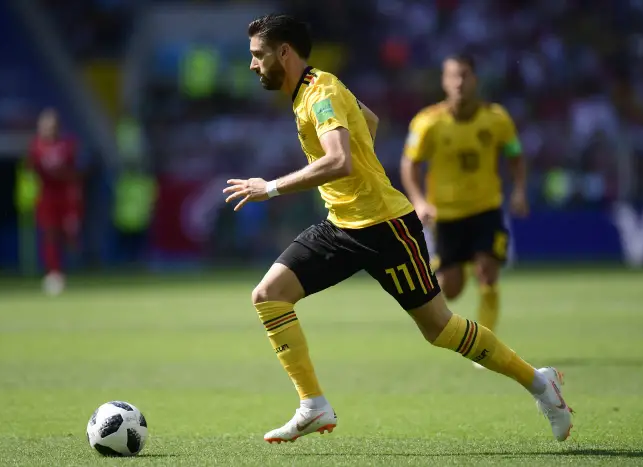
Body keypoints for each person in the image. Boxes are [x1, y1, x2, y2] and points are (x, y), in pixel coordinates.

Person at [223, 14, 571, 444]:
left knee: (440, 329)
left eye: (258, 56)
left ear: (284, 52)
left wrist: (270, 187)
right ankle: (313, 405)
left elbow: (339, 160)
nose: (253, 65)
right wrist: (358, 176)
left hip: (386, 228)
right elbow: (368, 120)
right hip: (341, 226)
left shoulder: (321, 93)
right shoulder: (313, 89)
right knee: (268, 296)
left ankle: (540, 384)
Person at [400, 55, 528, 355]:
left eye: (465, 75)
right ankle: (462, 267)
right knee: (451, 290)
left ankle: (486, 348)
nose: (459, 82)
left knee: (487, 272)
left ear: (476, 79)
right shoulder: (428, 122)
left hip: (486, 209)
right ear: (444, 82)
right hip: (446, 216)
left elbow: (515, 153)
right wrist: (419, 201)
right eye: (453, 76)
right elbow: (410, 164)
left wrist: (520, 189)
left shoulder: (497, 118)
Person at [26, 108, 82, 295]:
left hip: (66, 196)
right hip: (47, 196)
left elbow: (75, 171)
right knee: (49, 234)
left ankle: (67, 269)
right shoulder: (36, 147)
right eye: (45, 126)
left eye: (52, 126)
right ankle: (53, 272)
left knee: (69, 235)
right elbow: (31, 171)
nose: (48, 130)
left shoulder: (68, 144)